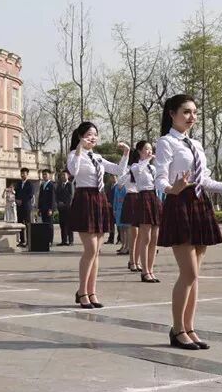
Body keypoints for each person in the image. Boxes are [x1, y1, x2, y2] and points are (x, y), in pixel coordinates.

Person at [155, 94, 222, 350]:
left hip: (199, 204)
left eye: (194, 112)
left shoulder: (195, 144)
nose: (192, 117)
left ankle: (190, 327)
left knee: (195, 276)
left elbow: (203, 179)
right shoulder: (166, 142)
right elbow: (159, 178)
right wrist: (172, 188)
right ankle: (177, 329)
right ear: (172, 114)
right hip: (179, 203)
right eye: (186, 112)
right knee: (189, 273)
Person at [67, 122, 130, 309]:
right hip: (84, 198)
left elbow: (118, 171)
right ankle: (82, 291)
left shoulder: (98, 157)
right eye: (88, 134)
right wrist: (79, 148)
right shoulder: (74, 154)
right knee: (90, 249)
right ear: (80, 136)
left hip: (99, 198)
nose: (92, 137)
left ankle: (92, 291)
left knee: (96, 252)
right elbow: (73, 171)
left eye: (95, 134)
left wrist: (126, 154)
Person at [130, 140, 162, 283]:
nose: (149, 152)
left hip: (154, 198)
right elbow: (138, 171)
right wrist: (148, 159)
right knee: (146, 238)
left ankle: (151, 269)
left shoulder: (152, 168)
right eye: (146, 149)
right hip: (143, 198)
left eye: (151, 149)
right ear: (139, 151)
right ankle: (144, 271)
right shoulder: (136, 166)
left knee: (155, 238)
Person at [119, 167, 140, 271]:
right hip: (131, 198)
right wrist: (128, 172)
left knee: (141, 234)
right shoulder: (128, 170)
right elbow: (119, 184)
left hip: (142, 197)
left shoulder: (146, 169)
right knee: (134, 234)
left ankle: (137, 261)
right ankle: (132, 261)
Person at [14, 168, 34, 248]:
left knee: (27, 224)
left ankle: (29, 241)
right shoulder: (18, 183)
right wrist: (16, 200)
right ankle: (22, 241)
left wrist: (22, 200)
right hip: (19, 207)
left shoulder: (30, 184)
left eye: (24, 173)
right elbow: (16, 193)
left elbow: (30, 195)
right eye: (21, 173)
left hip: (26, 207)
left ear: (27, 174)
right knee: (20, 224)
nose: (22, 175)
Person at [55, 170, 74, 246]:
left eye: (64, 175)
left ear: (68, 176)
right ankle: (64, 240)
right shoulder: (59, 185)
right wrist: (58, 202)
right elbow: (56, 195)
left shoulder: (70, 184)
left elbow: (71, 196)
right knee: (62, 224)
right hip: (61, 208)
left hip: (68, 208)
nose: (63, 176)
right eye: (62, 175)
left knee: (69, 224)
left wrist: (65, 204)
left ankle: (70, 241)